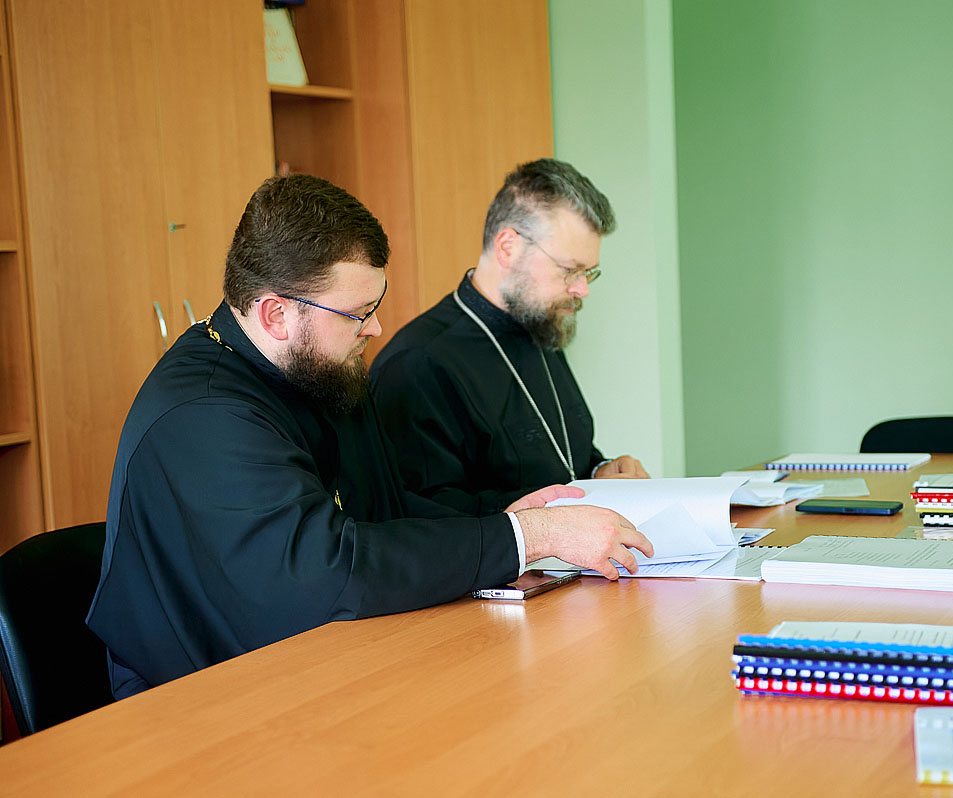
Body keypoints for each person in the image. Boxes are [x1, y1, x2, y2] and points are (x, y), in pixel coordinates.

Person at [86, 174, 652, 699]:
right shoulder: (205, 415)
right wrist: (522, 537)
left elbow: (383, 511)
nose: (376, 328)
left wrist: (504, 519)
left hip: (315, 661)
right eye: (358, 313)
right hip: (203, 697)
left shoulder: (321, 366)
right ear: (276, 314)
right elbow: (323, 572)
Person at [371, 159, 648, 515]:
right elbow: (424, 518)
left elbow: (559, 458)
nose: (582, 289)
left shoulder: (540, 322)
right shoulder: (417, 364)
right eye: (570, 270)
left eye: (588, 273)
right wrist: (551, 516)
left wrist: (600, 472)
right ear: (508, 247)